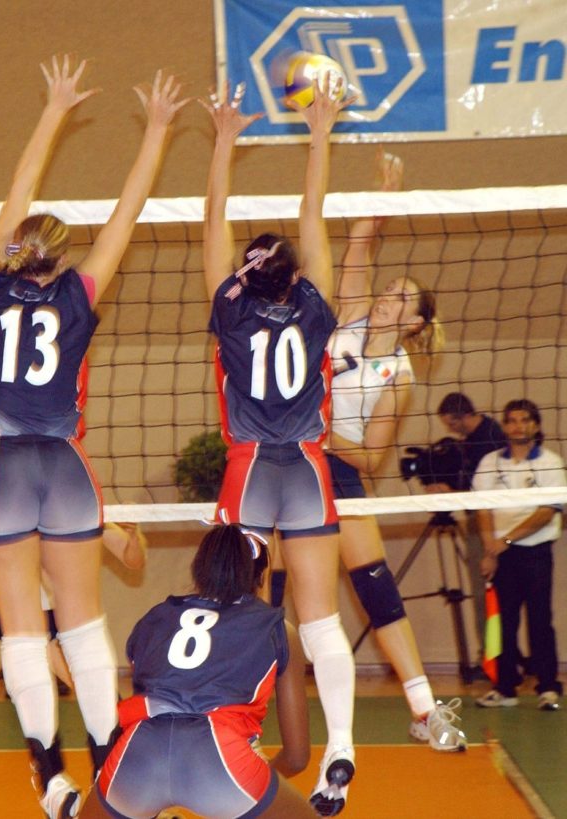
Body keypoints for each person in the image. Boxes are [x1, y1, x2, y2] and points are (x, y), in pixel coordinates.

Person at [0, 55, 187, 818]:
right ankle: (108, 766)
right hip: (63, 464)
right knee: (84, 619)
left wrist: (54, 110)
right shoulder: (82, 293)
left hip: (0, 466)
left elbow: (15, 196)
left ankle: (50, 777)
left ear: (15, 250)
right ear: (62, 257)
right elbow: (128, 214)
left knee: (22, 625)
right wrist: (156, 130)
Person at [273, 150, 466, 752]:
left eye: (404, 297)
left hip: (333, 466)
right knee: (267, 593)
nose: (390, 295)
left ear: (414, 323)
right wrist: (384, 196)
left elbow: (373, 458)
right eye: (392, 287)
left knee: (376, 586)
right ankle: (243, 714)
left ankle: (423, 708)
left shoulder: (398, 375)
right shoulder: (349, 316)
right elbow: (357, 246)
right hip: (286, 463)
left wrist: (323, 433)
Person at [201, 79, 356, 816]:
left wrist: (223, 142)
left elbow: (212, 222)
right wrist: (319, 133)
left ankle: (231, 735)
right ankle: (341, 748)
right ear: (296, 275)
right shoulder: (317, 303)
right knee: (322, 618)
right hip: (309, 467)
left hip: (251, 468)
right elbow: (312, 212)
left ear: (245, 272)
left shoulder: (228, 312)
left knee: (240, 608)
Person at [0, 523, 147, 819]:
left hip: (58, 624)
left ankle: (126, 800)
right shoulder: (0, 511)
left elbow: (133, 559)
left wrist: (134, 538)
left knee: (110, 710)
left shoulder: (71, 507)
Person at [80, 525, 314, 819]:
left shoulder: (154, 619)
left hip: (137, 755)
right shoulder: (276, 628)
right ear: (262, 580)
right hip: (221, 757)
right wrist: (255, 778)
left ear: (198, 572)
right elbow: (296, 758)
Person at [472, 400, 565, 711]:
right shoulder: (490, 462)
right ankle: (504, 688)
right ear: (505, 426)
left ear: (535, 426)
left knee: (540, 620)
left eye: (524, 420)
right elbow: (483, 509)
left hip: (535, 553)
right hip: (500, 554)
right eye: (511, 421)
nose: (517, 426)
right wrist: (491, 550)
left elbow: (547, 512)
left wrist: (507, 539)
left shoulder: (550, 462)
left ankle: (548, 688)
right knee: (502, 621)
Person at [433, 391, 509, 672]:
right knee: (487, 593)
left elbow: (487, 490)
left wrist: (452, 493)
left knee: (485, 592)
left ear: (460, 416)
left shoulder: (491, 438)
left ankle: (494, 659)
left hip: (491, 522)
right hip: (477, 519)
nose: (450, 430)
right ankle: (495, 656)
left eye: (451, 424)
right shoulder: (470, 442)